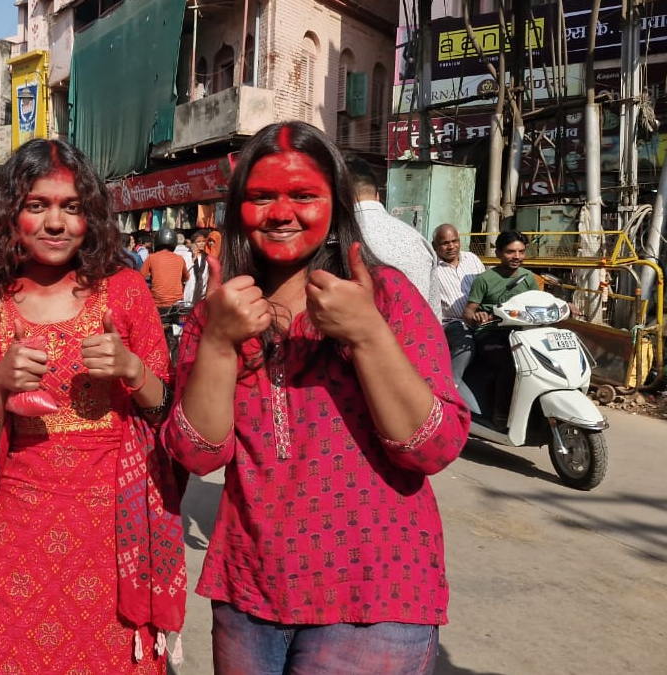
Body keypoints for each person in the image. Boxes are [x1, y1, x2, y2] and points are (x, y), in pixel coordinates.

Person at [163, 122, 468, 674]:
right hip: (249, 592)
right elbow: (197, 454)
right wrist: (217, 341)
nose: (282, 213)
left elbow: (434, 446)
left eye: (303, 195)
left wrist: (367, 332)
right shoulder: (221, 312)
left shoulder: (387, 295)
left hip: (376, 595)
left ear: (336, 204)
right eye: (261, 197)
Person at [0, 138, 186, 673]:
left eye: (71, 207)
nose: (55, 223)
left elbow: (168, 415)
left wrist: (132, 370)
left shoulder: (125, 293)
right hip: (14, 527)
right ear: (12, 215)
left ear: (91, 217)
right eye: (37, 206)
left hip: (112, 528)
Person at [462, 230, 541, 424]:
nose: (517, 257)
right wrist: (477, 316)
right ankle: (501, 414)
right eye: (510, 252)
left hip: (522, 334)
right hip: (491, 334)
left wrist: (565, 305)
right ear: (498, 253)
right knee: (511, 363)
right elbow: (468, 312)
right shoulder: (485, 280)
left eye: (521, 252)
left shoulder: (528, 278)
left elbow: (539, 303)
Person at [345, 156, 438, 307]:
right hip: (417, 328)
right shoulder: (418, 240)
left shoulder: (336, 239)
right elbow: (434, 313)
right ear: (378, 195)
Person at [431, 223, 486, 384]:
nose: (451, 246)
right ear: (435, 245)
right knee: (465, 346)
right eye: (445, 243)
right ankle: (450, 386)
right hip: (452, 323)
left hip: (480, 319)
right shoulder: (432, 267)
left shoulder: (472, 259)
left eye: (454, 241)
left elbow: (485, 288)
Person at [141, 227, 190, 308]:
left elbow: (140, 277)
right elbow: (186, 277)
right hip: (177, 303)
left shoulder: (151, 257)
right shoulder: (180, 259)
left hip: (157, 303)